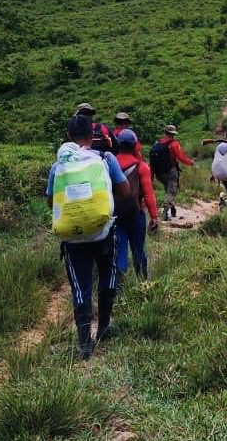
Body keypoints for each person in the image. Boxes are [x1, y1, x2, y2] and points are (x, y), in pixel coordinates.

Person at [45, 115, 130, 359]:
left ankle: (84, 343)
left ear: (69, 136)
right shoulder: (105, 158)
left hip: (73, 239)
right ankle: (103, 326)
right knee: (108, 276)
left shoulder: (57, 167)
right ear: (92, 134)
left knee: (80, 288)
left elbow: (51, 201)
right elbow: (124, 191)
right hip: (103, 233)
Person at [114, 129, 158, 280]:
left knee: (120, 250)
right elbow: (148, 194)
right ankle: (143, 281)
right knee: (138, 249)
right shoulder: (142, 166)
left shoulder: (108, 164)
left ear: (118, 144)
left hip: (115, 215)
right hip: (136, 214)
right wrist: (154, 217)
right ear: (134, 146)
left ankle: (119, 287)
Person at [151, 124, 195, 221]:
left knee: (168, 190)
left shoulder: (157, 144)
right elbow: (181, 157)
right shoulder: (174, 144)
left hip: (159, 173)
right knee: (171, 191)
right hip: (170, 172)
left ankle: (173, 209)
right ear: (173, 134)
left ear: (165, 132)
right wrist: (190, 162)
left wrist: (152, 176)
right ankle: (165, 212)